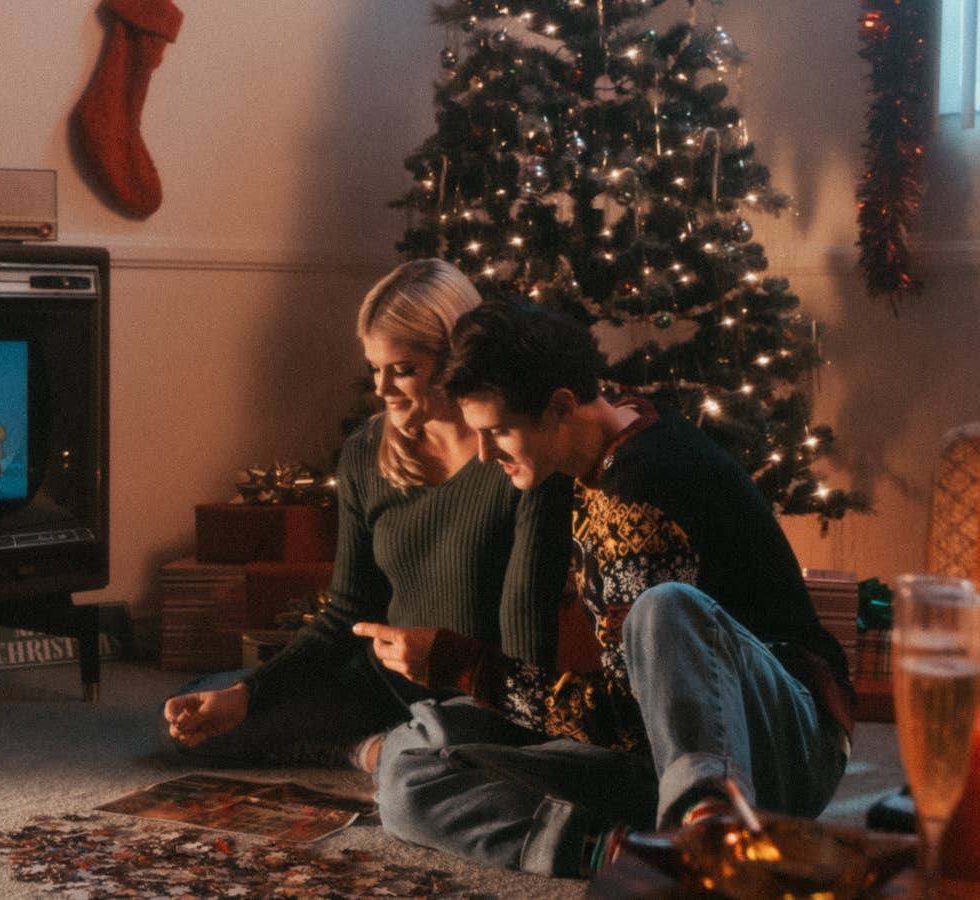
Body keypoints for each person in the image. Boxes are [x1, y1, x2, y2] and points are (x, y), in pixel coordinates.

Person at [353, 298, 854, 879]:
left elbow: (629, 720)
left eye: (499, 433)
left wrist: (468, 667)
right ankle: (627, 851)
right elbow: (632, 716)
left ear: (561, 406)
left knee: (663, 608)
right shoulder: (617, 429)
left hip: (781, 748)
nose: (486, 455)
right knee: (407, 775)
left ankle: (706, 831)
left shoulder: (643, 488)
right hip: (665, 750)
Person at [164, 260, 572, 766]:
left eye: (403, 370)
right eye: (375, 369)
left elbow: (528, 660)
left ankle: (382, 753)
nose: (382, 389)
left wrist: (456, 670)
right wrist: (249, 693)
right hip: (380, 683)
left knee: (480, 755)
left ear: (455, 357)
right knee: (202, 709)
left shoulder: (518, 457)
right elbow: (347, 611)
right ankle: (377, 750)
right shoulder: (367, 450)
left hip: (476, 694)